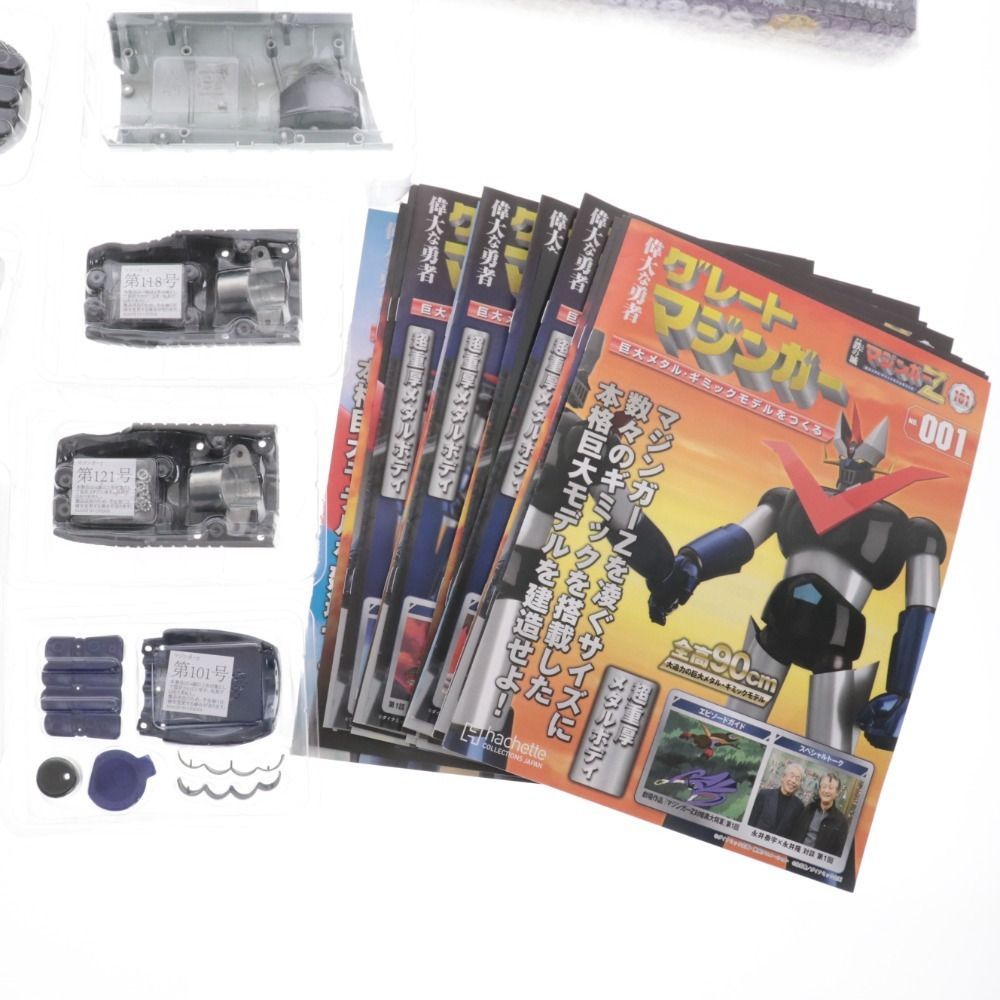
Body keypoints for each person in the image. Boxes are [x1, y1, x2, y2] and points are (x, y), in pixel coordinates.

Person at [792, 772, 850, 855]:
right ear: (819, 790)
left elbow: (839, 852)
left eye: (830, 788)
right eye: (824, 786)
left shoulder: (842, 822)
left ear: (837, 793)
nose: (826, 791)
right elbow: (794, 835)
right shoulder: (808, 810)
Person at [748, 762, 804, 836]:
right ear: (783, 777)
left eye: (797, 779)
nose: (793, 781)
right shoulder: (764, 795)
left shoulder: (799, 806)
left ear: (800, 784)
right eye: (791, 776)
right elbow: (751, 821)